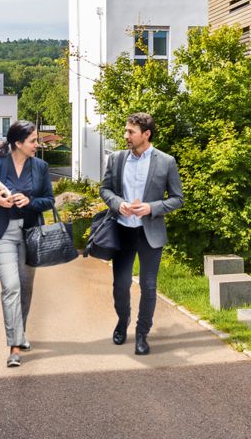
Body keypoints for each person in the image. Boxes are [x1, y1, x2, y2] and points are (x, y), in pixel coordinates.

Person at [100, 112, 184, 355]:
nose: (126, 135)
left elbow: (178, 199)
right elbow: (104, 190)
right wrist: (118, 204)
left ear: (146, 134)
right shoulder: (116, 159)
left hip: (150, 234)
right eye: (126, 131)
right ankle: (122, 320)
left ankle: (142, 333)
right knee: (120, 285)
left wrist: (152, 208)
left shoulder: (166, 162)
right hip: (123, 232)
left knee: (148, 287)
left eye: (131, 132)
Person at [0, 120, 55, 368]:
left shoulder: (40, 166)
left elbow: (49, 200)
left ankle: (21, 332)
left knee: (26, 287)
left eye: (37, 140)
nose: (37, 144)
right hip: (2, 233)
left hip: (30, 233)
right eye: (33, 141)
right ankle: (15, 347)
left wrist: (29, 200)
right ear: (18, 143)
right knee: (11, 287)